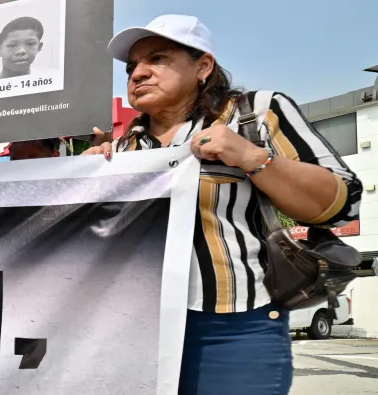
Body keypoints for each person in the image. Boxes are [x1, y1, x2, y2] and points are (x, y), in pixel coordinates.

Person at [84, 15, 361, 394]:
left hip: (234, 327)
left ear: (203, 66)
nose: (138, 74)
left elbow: (342, 203)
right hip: (135, 327)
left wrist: (252, 157)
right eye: (132, 67)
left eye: (158, 59)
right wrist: (86, 176)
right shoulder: (125, 145)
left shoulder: (255, 113)